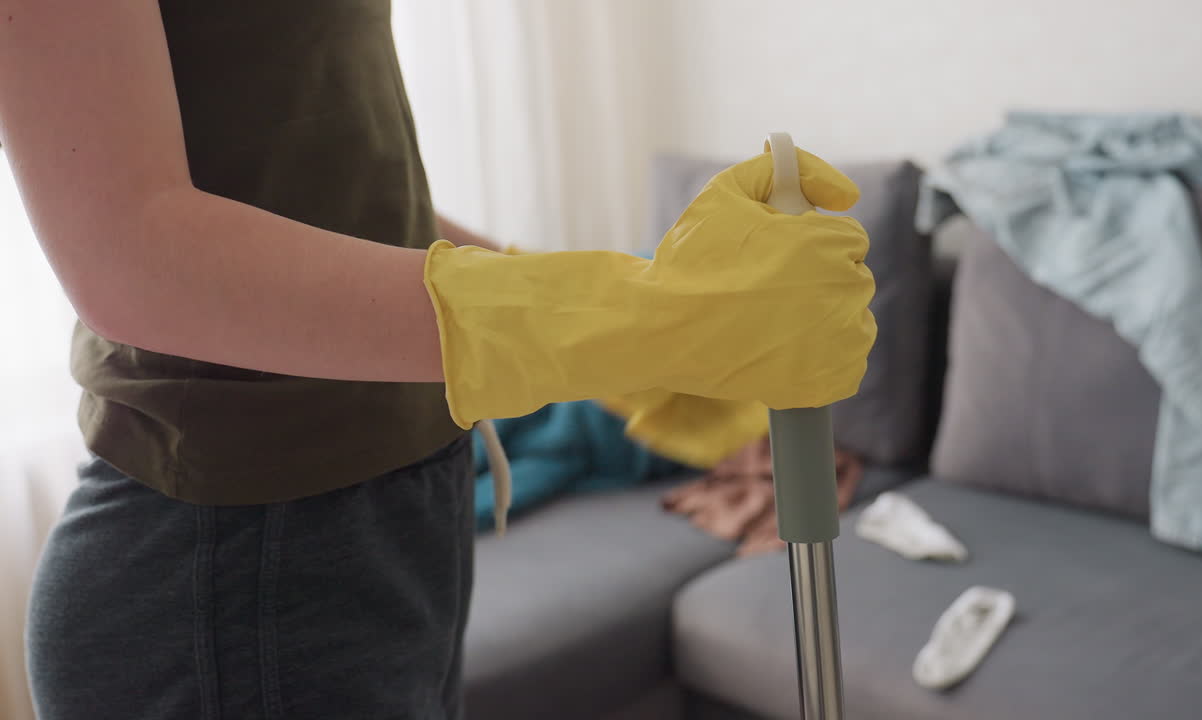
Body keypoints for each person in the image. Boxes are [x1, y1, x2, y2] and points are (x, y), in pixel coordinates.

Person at [0, 2, 876, 719]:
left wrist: (638, 323)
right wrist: (634, 319)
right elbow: (134, 254)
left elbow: (361, 205)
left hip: (400, 515)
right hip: (234, 570)